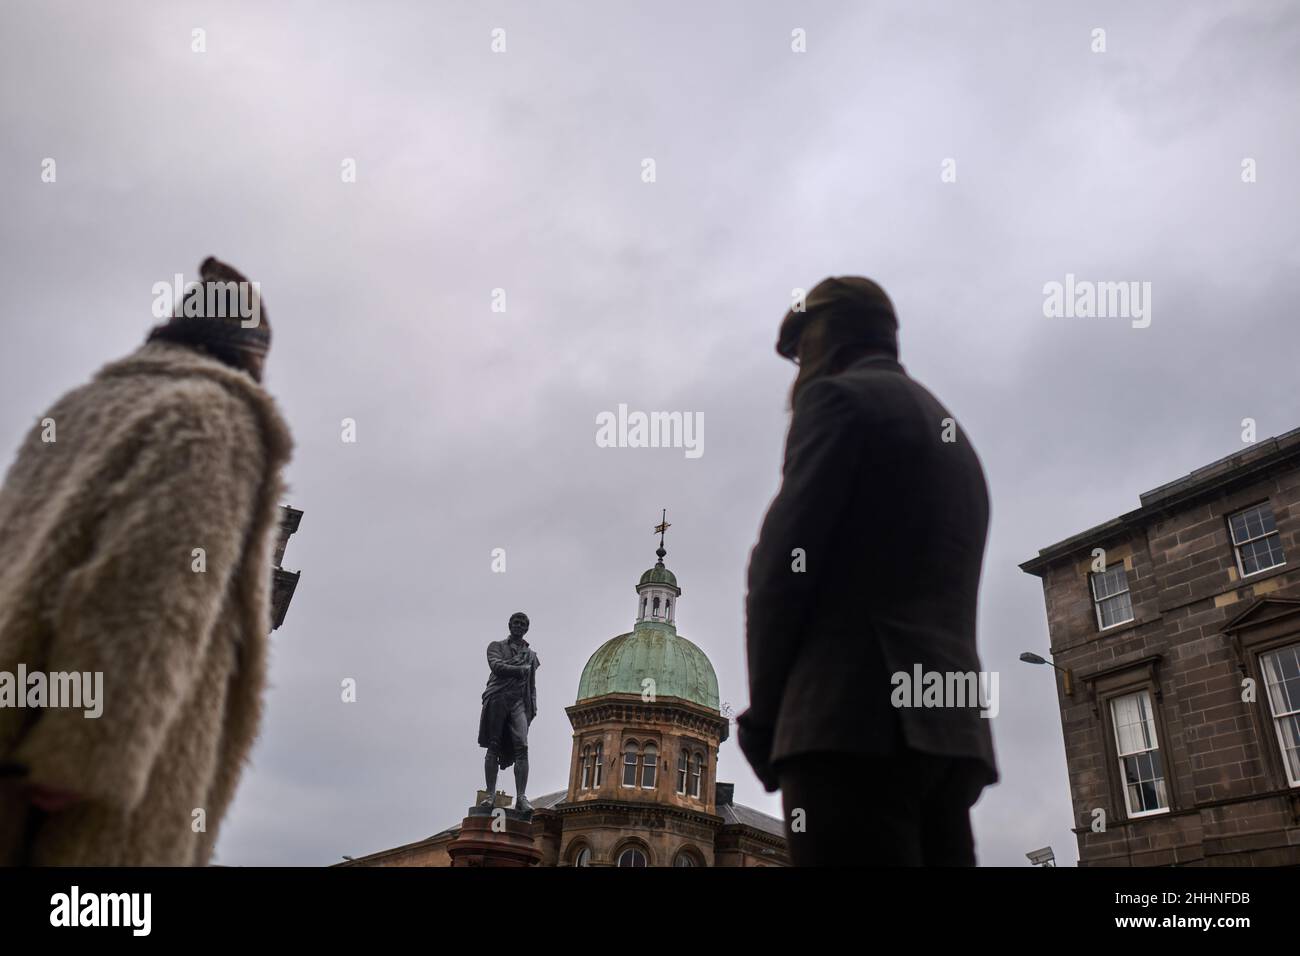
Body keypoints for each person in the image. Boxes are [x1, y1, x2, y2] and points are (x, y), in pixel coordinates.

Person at [0, 257, 293, 865]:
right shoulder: (215, 417)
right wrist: (86, 749)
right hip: (86, 791)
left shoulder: (75, 411)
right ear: (245, 353)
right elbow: (151, 589)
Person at [738, 276, 998, 866]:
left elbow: (780, 569)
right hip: (946, 736)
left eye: (801, 351)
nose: (799, 370)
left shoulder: (839, 401)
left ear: (829, 336)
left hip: (848, 726)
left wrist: (766, 719)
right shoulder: (951, 433)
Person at [477, 612, 540, 813]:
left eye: (523, 623)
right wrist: (519, 669)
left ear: (527, 628)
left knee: (522, 745)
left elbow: (532, 685)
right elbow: (496, 666)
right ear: (509, 625)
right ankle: (490, 794)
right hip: (497, 697)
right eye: (516, 622)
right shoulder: (495, 647)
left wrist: (533, 706)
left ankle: (521, 797)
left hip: (519, 702)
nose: (519, 626)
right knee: (493, 746)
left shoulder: (531, 655)